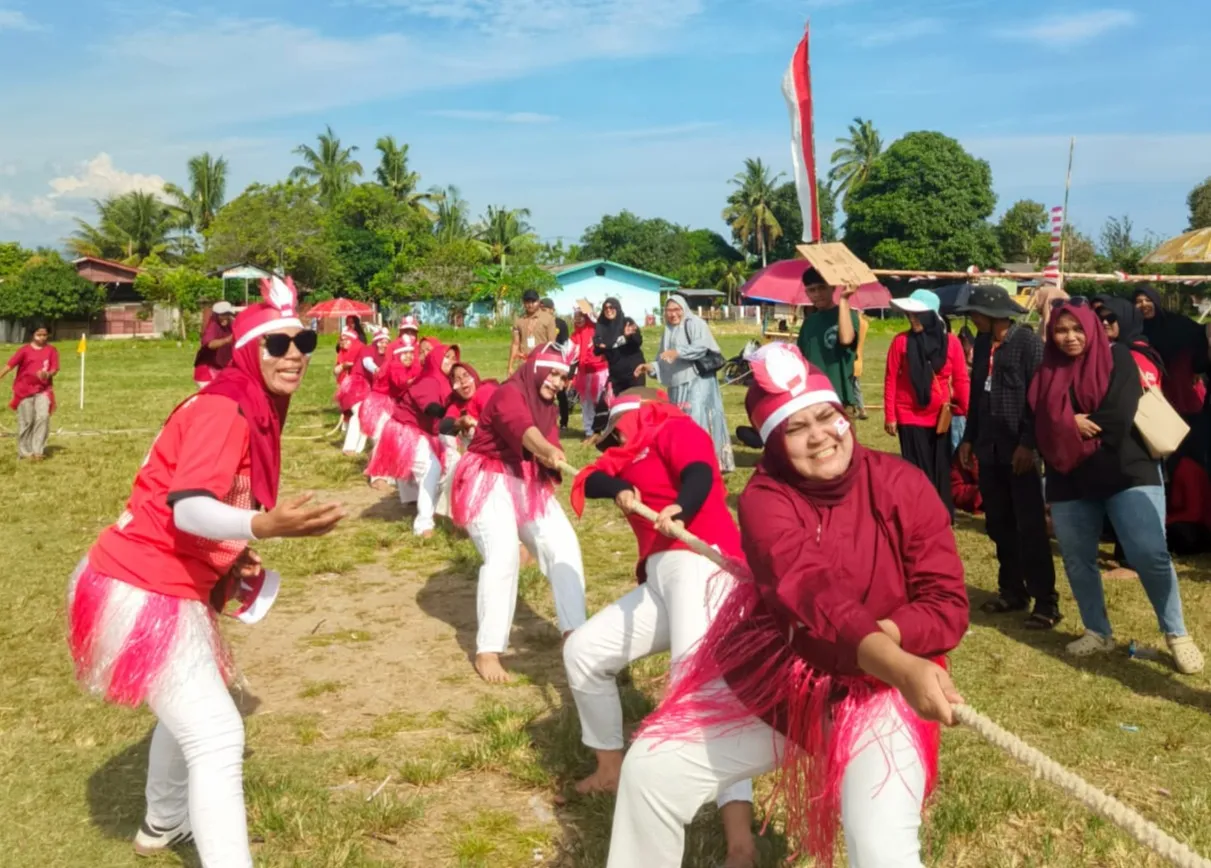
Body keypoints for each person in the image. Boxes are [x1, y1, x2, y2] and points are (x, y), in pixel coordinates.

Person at [604, 343, 968, 868]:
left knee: (881, 848)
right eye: (796, 429)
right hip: (783, 676)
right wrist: (881, 651)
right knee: (651, 769)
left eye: (827, 417)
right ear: (773, 443)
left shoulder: (904, 484)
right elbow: (808, 590)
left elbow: (947, 605)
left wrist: (882, 650)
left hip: (888, 687)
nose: (819, 435)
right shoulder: (764, 498)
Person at [66, 277, 345, 867]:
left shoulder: (242, 403)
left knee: (196, 707)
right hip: (139, 585)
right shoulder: (226, 408)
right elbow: (188, 506)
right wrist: (260, 527)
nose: (295, 353)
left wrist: (236, 549)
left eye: (305, 343)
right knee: (218, 735)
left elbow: (203, 507)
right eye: (277, 344)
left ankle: (162, 822)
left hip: (153, 580)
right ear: (247, 351)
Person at [565, 387, 756, 866]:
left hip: (701, 566)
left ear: (635, 413)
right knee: (585, 650)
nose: (613, 439)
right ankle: (610, 766)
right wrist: (620, 490)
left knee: (701, 690)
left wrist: (681, 509)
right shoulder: (625, 456)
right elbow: (589, 480)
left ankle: (740, 842)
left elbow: (698, 472)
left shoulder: (674, 428)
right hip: (660, 578)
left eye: (617, 427)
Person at [1027, 303, 1204, 674]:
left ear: (1093, 328)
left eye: (1077, 328)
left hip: (1127, 471)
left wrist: (1062, 422)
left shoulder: (1118, 358)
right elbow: (1037, 416)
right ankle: (1097, 630)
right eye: (1061, 330)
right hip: (1069, 476)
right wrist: (1069, 421)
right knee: (1077, 559)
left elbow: (1118, 416)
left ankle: (1177, 634)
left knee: (1150, 555)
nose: (1070, 337)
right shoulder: (1047, 368)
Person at [450, 344, 587, 683]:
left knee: (564, 545)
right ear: (536, 368)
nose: (556, 383)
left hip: (525, 479)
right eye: (552, 373)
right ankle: (488, 650)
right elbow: (524, 431)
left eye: (563, 377)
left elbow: (545, 441)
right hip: (487, 476)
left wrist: (549, 455)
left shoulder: (549, 407)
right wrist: (545, 449)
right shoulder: (507, 393)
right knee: (503, 554)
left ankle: (575, 634)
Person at [957, 286, 1062, 630]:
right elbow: (976, 394)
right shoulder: (984, 344)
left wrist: (1029, 444)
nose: (971, 319)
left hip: (1020, 451)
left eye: (975, 313)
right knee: (999, 523)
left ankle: (1046, 602)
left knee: (1030, 526)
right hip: (989, 449)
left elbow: (1039, 398)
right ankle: (1012, 590)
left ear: (995, 315)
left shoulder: (1028, 344)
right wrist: (969, 437)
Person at [884, 290, 970, 519]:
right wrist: (890, 415)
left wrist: (962, 409)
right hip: (908, 415)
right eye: (909, 315)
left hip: (940, 417)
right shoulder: (900, 342)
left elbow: (961, 378)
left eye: (917, 315)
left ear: (931, 315)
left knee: (940, 466)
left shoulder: (951, 343)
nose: (912, 319)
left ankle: (941, 513)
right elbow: (891, 377)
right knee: (916, 468)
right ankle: (920, 515)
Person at [379, 342, 460, 537]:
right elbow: (430, 407)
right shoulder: (430, 380)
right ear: (435, 359)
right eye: (446, 357)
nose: (450, 361)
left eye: (452, 357)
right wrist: (453, 418)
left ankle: (431, 507)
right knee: (430, 468)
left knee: (451, 460)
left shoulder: (443, 380)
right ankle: (424, 524)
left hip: (419, 432)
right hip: (406, 432)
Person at [653, 294, 735, 472]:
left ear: (684, 309)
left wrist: (678, 352)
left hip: (697, 382)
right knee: (679, 421)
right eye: (669, 310)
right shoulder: (668, 330)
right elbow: (662, 356)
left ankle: (704, 463)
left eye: (677, 309)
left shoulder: (695, 323)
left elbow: (702, 347)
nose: (673, 314)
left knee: (696, 421)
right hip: (677, 384)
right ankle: (686, 462)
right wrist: (650, 367)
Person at [1134, 284, 1208, 466]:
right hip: (1153, 392)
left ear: (1156, 301)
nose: (1143, 304)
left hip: (1181, 387)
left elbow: (1201, 336)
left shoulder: (1177, 323)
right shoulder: (1134, 329)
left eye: (1148, 300)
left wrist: (1197, 367)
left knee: (1190, 441)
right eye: (1138, 301)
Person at [796, 272, 860, 410]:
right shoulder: (809, 322)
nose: (817, 294)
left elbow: (846, 339)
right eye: (812, 290)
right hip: (812, 396)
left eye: (822, 288)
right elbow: (801, 359)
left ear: (832, 288)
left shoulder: (847, 315)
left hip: (839, 397)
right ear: (807, 293)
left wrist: (844, 299)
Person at [3, 324, 59, 461]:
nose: (42, 338)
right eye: (38, 335)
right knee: (27, 421)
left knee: (43, 417)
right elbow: (10, 365)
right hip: (24, 391)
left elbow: (55, 369)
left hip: (43, 390)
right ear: (32, 335)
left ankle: (38, 451)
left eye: (44, 335)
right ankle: (25, 452)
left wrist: (48, 374)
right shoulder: (24, 350)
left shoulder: (51, 350)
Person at [593, 298, 646, 414]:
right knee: (610, 405)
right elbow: (596, 349)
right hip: (615, 373)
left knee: (634, 405)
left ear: (617, 308)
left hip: (633, 372)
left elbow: (638, 341)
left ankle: (635, 431)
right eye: (605, 308)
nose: (608, 310)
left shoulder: (626, 322)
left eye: (611, 307)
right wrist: (602, 346)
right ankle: (603, 430)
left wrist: (628, 337)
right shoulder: (601, 326)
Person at [570, 302, 609, 440]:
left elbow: (602, 323)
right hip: (584, 373)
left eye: (581, 315)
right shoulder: (574, 335)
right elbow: (570, 354)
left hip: (599, 371)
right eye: (576, 316)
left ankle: (603, 430)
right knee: (586, 402)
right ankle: (589, 431)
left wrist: (589, 309)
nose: (578, 319)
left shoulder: (596, 330)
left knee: (601, 401)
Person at [334, 328, 368, 456]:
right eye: (341, 340)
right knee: (357, 412)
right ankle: (351, 446)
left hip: (364, 387)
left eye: (345, 340)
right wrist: (343, 366)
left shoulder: (362, 350)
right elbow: (335, 371)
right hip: (349, 388)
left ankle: (357, 446)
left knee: (360, 413)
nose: (342, 342)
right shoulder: (342, 353)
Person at [541, 298, 573, 428]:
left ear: (552, 310)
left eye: (545, 310)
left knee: (560, 392)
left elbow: (565, 344)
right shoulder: (539, 323)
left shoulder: (560, 323)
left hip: (558, 361)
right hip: (543, 360)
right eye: (541, 310)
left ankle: (564, 421)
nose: (543, 312)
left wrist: (564, 363)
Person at [509, 289, 557, 375]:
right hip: (524, 362)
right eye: (527, 302)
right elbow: (515, 344)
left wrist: (552, 365)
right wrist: (510, 366)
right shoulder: (519, 320)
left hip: (542, 363)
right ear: (523, 303)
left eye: (533, 301)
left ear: (538, 301)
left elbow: (552, 344)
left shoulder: (548, 318)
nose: (530, 305)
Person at [193, 301, 235, 388]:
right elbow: (210, 344)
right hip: (206, 372)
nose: (225, 317)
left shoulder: (229, 325)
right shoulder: (213, 326)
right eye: (222, 314)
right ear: (216, 315)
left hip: (219, 369)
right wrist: (227, 340)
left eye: (227, 314)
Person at [851, 309, 870, 420]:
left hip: (853, 359)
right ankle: (859, 408)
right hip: (859, 359)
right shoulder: (864, 323)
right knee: (855, 386)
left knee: (853, 386)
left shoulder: (854, 322)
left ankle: (860, 409)